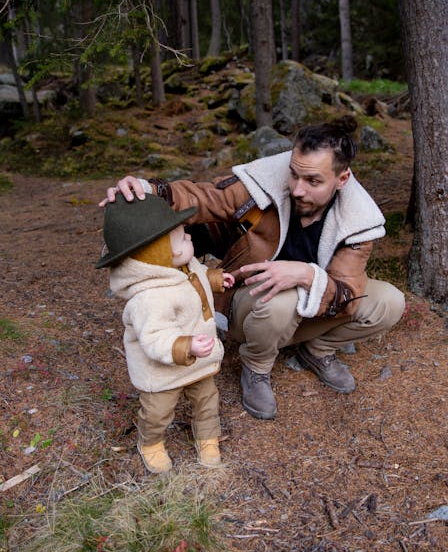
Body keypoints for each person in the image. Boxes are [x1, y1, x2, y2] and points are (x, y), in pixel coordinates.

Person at [101, 115, 405, 420]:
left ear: (341, 180)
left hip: (304, 301)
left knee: (389, 302)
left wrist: (305, 274)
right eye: (294, 175)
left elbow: (346, 293)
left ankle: (317, 349)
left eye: (313, 181)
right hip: (247, 301)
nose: (298, 189)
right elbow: (206, 197)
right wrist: (147, 189)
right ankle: (256, 366)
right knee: (282, 300)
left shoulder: (358, 223)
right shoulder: (262, 186)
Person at [96, 193, 235, 472]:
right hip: (163, 371)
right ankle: (151, 442)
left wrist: (216, 279)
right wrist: (188, 346)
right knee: (158, 412)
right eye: (183, 237)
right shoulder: (149, 298)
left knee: (207, 400)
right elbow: (155, 338)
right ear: (158, 252)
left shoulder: (182, 265)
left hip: (198, 364)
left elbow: (197, 276)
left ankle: (207, 437)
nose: (190, 239)